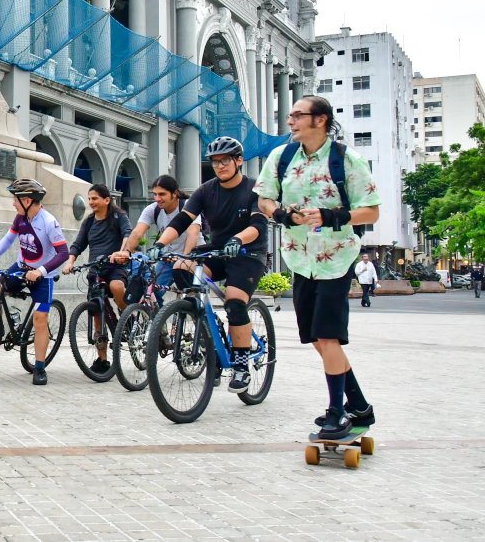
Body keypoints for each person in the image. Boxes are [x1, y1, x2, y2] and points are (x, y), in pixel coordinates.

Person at [254, 95, 380, 440]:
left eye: (298, 115)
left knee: (328, 335)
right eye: (291, 115)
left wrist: (333, 216)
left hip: (336, 259)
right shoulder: (281, 157)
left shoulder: (346, 160)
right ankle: (359, 405)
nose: (291, 120)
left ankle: (337, 413)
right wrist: (279, 213)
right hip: (298, 257)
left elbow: (371, 211)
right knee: (317, 339)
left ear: (320, 119)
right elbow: (264, 197)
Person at [148, 136, 269, 394]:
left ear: (238, 161)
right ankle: (207, 327)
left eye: (225, 160)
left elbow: (258, 225)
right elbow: (182, 220)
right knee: (182, 268)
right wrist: (160, 244)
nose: (219, 166)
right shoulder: (206, 190)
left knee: (235, 303)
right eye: (215, 162)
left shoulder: (254, 189)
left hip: (247, 252)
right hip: (216, 251)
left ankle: (240, 364)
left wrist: (238, 239)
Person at [0, 178, 69, 386]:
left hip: (42, 275)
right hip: (21, 268)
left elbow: (63, 252)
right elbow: (9, 239)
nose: (13, 204)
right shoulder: (21, 218)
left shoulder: (48, 222)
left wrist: (41, 271)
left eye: (15, 199)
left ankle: (39, 367)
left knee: (40, 318)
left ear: (27, 200)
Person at [64, 184, 132, 376]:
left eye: (95, 198)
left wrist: (122, 251)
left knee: (117, 286)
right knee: (96, 312)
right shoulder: (89, 222)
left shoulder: (119, 217)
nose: (91, 202)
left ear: (107, 200)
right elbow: (78, 244)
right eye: (90, 199)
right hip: (96, 270)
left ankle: (126, 315)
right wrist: (70, 262)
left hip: (116, 266)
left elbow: (128, 234)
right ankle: (102, 360)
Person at [112, 174, 204, 304]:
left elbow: (193, 234)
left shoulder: (188, 206)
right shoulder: (152, 209)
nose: (157, 198)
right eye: (155, 194)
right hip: (168, 258)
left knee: (192, 299)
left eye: (162, 194)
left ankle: (200, 320)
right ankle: (158, 321)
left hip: (192, 257)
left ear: (175, 193)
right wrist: (126, 251)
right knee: (151, 292)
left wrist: (185, 257)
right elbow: (137, 232)